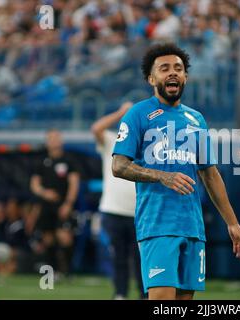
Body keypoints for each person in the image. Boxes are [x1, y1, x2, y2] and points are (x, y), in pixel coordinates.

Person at [111, 43, 240, 300]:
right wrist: (163, 176)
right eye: (165, 69)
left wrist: (233, 223)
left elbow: (210, 174)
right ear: (152, 78)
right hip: (157, 225)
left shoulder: (197, 119)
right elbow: (118, 166)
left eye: (178, 68)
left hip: (193, 227)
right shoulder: (137, 114)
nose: (173, 73)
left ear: (185, 77)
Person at [91, 101, 145, 300]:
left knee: (142, 258)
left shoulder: (146, 143)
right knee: (118, 256)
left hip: (140, 211)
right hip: (113, 209)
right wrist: (121, 112)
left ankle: (144, 294)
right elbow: (96, 128)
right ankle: (120, 294)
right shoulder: (112, 139)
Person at [30, 129, 80, 278]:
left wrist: (68, 203)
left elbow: (74, 183)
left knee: (65, 237)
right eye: (51, 138)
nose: (54, 141)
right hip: (46, 206)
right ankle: (52, 272)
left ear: (61, 141)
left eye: (56, 138)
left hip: (63, 204)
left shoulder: (69, 161)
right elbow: (34, 184)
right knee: (48, 238)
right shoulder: (42, 162)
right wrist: (44, 193)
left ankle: (69, 271)